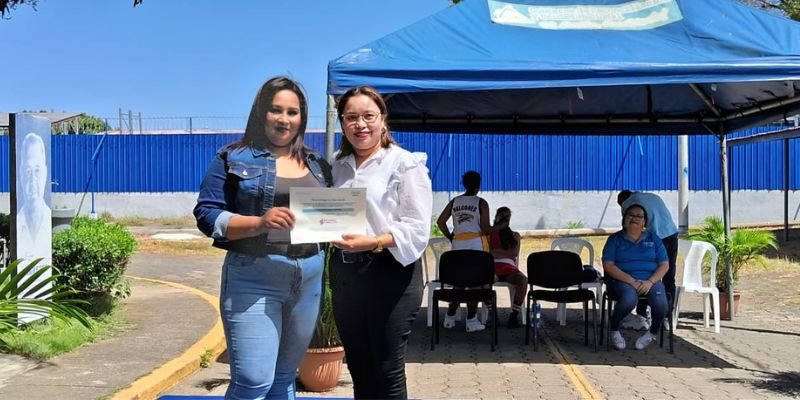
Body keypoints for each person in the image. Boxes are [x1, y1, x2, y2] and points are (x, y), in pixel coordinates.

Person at [193, 76, 332, 400]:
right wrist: (259, 222)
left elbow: (330, 214)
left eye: (292, 112)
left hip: (309, 275)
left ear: (302, 118)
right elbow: (207, 214)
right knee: (253, 381)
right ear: (261, 113)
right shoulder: (233, 157)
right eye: (276, 110)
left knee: (284, 378)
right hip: (254, 276)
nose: (284, 119)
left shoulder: (317, 164)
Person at [329, 86, 432, 400]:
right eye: (351, 117)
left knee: (386, 368)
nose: (360, 124)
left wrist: (373, 242)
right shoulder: (336, 165)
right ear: (343, 123)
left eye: (368, 116)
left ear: (383, 120)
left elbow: (417, 229)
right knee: (359, 368)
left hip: (391, 272)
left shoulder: (404, 164)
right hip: (346, 274)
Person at [436, 170, 505, 332]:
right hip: (476, 246)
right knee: (474, 283)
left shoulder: (454, 201)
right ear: (479, 185)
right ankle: (471, 320)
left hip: (458, 244)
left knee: (458, 283)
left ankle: (450, 318)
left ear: (464, 184)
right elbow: (486, 229)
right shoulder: (481, 203)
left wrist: (451, 236)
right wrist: (501, 226)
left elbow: (440, 221)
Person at [602, 204, 669, 350]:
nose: (634, 218)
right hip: (623, 280)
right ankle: (614, 330)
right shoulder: (615, 239)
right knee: (629, 300)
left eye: (639, 216)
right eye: (630, 215)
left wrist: (650, 282)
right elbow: (608, 265)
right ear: (624, 219)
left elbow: (664, 265)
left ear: (645, 222)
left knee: (660, 305)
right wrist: (631, 281)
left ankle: (652, 332)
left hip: (650, 281)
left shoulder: (654, 239)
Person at [617, 190, 679, 330]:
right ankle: (667, 319)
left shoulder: (628, 204)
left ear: (622, 201)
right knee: (669, 276)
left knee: (641, 273)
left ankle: (641, 316)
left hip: (653, 239)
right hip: (671, 234)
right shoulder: (653, 196)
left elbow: (629, 229)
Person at [489, 207, 528, 328]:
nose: (505, 219)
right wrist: (505, 252)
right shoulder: (489, 234)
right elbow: (489, 252)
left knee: (523, 280)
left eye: (507, 217)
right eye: (502, 216)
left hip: (509, 269)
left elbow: (514, 253)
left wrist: (496, 252)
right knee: (483, 281)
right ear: (496, 217)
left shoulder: (515, 235)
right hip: (492, 267)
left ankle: (514, 315)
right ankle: (492, 314)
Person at [17, 132, 51, 263]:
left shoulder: (48, 222)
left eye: (37, 171)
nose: (33, 181)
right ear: (20, 174)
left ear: (45, 173)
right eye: (28, 171)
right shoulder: (18, 223)